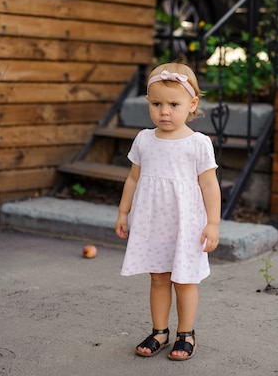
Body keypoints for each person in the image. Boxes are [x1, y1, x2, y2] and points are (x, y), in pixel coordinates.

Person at [115, 62, 221, 361]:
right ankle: (159, 331)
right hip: (152, 223)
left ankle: (185, 333)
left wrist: (212, 223)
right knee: (159, 277)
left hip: (185, 225)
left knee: (184, 279)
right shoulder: (144, 139)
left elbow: (210, 186)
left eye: (173, 104)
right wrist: (124, 213)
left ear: (192, 104)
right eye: (156, 103)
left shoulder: (198, 144)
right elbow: (133, 178)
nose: (164, 111)